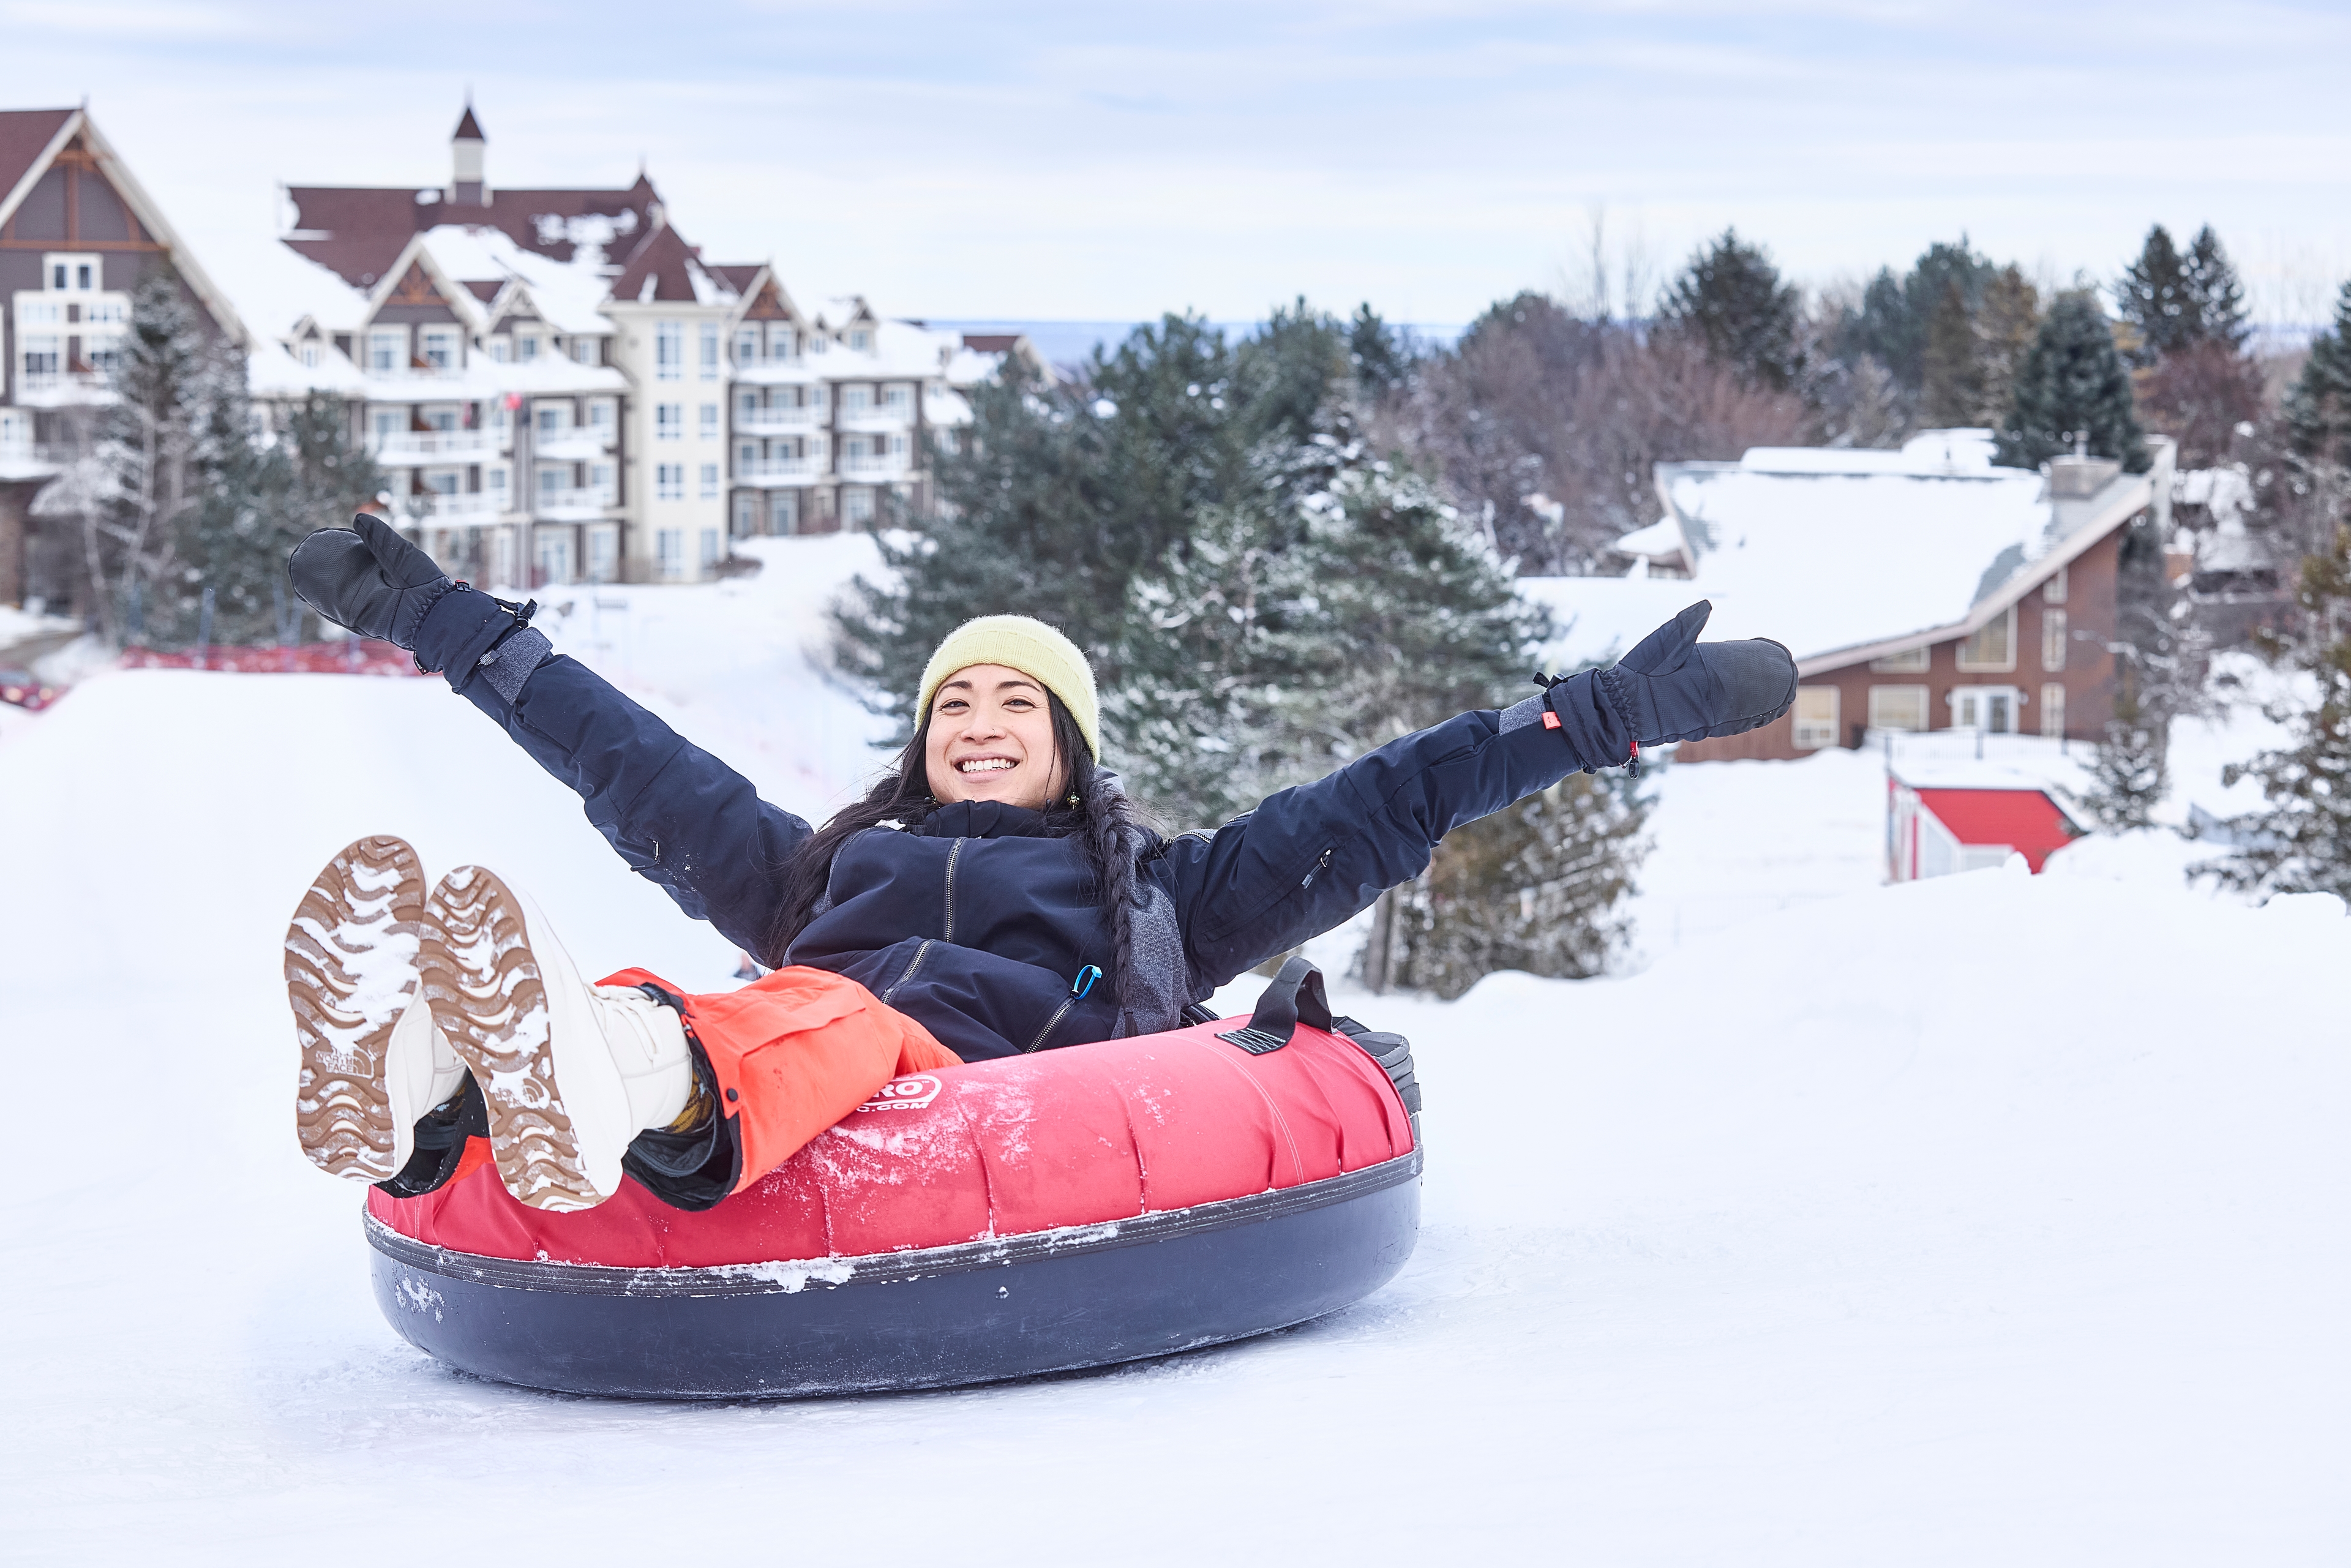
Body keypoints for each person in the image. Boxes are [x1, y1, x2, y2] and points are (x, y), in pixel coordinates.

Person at [284, 516, 1794, 1217]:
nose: (980, 723)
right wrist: (446, 621)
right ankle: (432, 1073)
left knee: (833, 1016)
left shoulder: (1168, 894)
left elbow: (1398, 796)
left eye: (1018, 703)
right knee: (776, 1001)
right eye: (955, 701)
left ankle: (612, 1061)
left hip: (954, 1076)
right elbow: (628, 761)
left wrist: (1591, 717)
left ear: (1068, 742)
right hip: (785, 1051)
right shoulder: (823, 870)